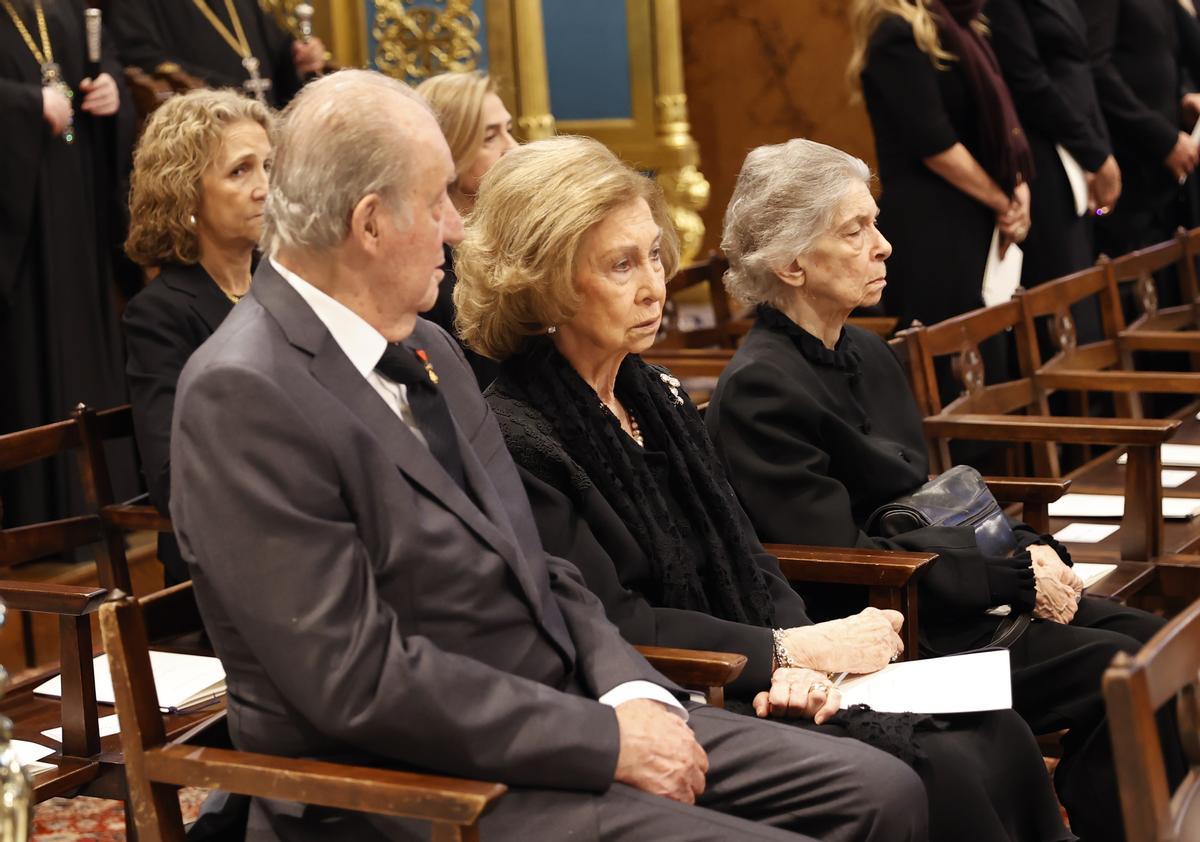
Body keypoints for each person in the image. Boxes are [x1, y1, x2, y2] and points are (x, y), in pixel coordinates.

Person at [169, 70, 927, 842]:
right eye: (439, 203)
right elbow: (356, 681)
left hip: (561, 712)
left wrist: (636, 695)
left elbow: (542, 568)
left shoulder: (428, 348)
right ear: (369, 223)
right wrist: (606, 741)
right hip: (415, 785)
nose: (456, 230)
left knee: (882, 791)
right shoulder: (244, 390)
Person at [460, 134, 1075, 842]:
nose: (655, 286)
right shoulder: (518, 437)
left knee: (998, 733)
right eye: (621, 265)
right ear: (544, 283)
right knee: (940, 769)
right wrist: (787, 652)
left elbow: (747, 555)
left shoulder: (651, 393)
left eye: (655, 255)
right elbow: (622, 624)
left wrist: (807, 645)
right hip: (677, 691)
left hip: (758, 662)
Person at [706, 137, 1183, 842]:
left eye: (875, 221)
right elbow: (846, 560)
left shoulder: (865, 348)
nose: (885, 246)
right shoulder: (759, 389)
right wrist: (1013, 578)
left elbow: (931, 496)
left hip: (964, 597)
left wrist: (1028, 550)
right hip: (905, 636)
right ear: (791, 263)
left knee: (1167, 645)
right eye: (855, 230)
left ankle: (1103, 807)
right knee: (1135, 674)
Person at [122, 89, 273, 586]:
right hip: (223, 561)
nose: (264, 188)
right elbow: (173, 479)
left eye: (268, 166)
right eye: (240, 171)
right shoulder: (160, 314)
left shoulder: (285, 283)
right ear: (186, 193)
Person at [0, 0, 135, 527]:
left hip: (77, 210)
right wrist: (20, 107)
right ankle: (42, 524)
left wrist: (113, 94)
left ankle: (108, 512)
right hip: (19, 230)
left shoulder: (62, 7)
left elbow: (111, 67)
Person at [848, 0, 1032, 334]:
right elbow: (935, 145)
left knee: (992, 359)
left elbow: (1004, 130)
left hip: (978, 217)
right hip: (935, 229)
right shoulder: (896, 33)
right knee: (955, 362)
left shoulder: (966, 27)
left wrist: (1018, 186)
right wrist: (1005, 201)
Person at [988, 0, 1121, 288]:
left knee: (1086, 289)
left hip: (1078, 154)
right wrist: (1095, 154)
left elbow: (1080, 70)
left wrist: (1099, 151)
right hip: (1044, 159)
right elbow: (1027, 82)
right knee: (1064, 292)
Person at [415, 70, 517, 388]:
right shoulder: (432, 274)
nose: (512, 148)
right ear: (448, 150)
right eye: (490, 137)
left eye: (509, 130)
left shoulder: (518, 235)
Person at [1075, 0, 1200, 257]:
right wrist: (1163, 139)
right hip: (1127, 178)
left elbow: (1164, 58)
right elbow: (1095, 68)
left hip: (1165, 183)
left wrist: (1183, 101)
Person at [112, 0, 326, 108]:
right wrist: (230, 91)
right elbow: (141, 56)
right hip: (202, 133)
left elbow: (274, 49)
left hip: (265, 126)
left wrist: (300, 58)